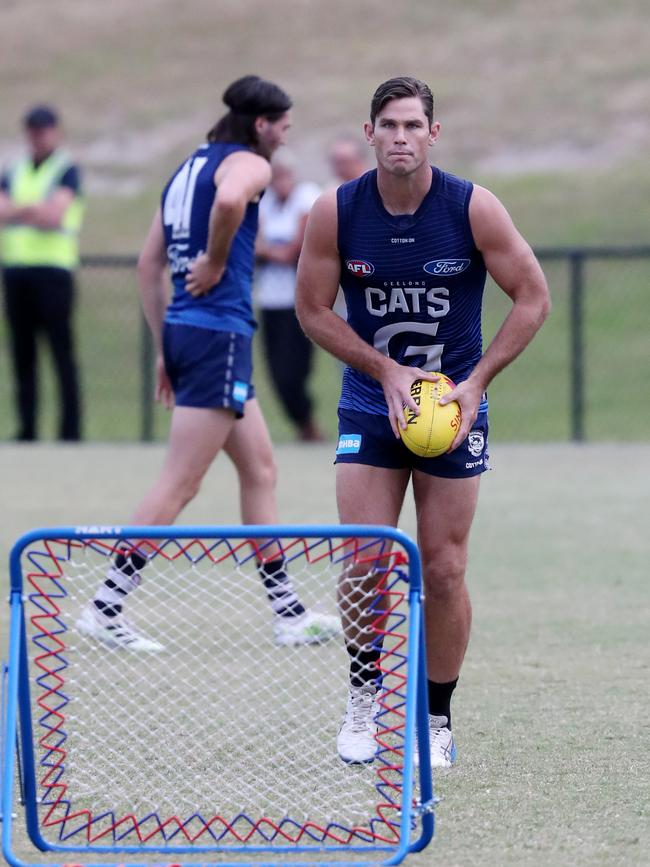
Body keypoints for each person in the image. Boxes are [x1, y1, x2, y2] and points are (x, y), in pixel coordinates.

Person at [295, 76, 550, 767]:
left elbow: (532, 296)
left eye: (413, 125)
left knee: (442, 567)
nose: (400, 137)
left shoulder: (472, 208)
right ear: (370, 131)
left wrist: (474, 385)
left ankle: (435, 718)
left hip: (454, 411)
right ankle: (362, 697)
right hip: (369, 408)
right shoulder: (337, 211)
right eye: (389, 125)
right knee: (367, 559)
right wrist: (384, 370)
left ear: (433, 134)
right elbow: (312, 309)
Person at [75, 75, 340, 652]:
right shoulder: (250, 164)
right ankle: (105, 606)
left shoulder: (186, 168)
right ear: (262, 125)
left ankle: (288, 612)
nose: (284, 141)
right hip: (218, 334)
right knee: (181, 480)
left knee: (261, 470)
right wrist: (217, 261)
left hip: (194, 337)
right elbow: (228, 202)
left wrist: (165, 346)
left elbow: (148, 266)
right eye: (284, 129)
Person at [0, 105, 83, 441]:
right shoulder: (14, 169)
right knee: (22, 355)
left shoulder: (66, 169)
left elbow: (56, 215)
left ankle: (70, 431)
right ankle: (28, 428)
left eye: (44, 129)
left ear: (55, 131)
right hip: (17, 271)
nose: (38, 135)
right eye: (33, 129)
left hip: (54, 272)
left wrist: (20, 211)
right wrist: (36, 209)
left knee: (61, 353)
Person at [255, 152, 323, 441]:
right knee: (274, 374)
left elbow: (296, 249)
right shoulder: (263, 203)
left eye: (284, 174)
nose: (279, 181)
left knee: (293, 372)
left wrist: (269, 250)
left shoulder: (306, 197)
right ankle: (304, 426)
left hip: (299, 302)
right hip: (269, 300)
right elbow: (251, 247)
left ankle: (308, 424)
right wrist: (272, 251)